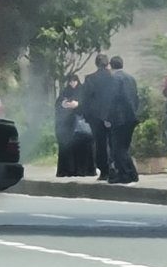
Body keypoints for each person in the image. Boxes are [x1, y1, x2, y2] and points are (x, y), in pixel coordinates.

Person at [82, 53, 116, 181]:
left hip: (95, 116)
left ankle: (104, 171)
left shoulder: (90, 79)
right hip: (112, 115)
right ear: (108, 64)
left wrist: (86, 115)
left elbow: (85, 99)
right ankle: (114, 166)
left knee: (100, 143)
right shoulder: (113, 77)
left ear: (96, 64)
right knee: (113, 142)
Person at [55, 74, 95, 177]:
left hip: (81, 126)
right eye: (70, 81)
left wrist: (77, 105)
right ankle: (68, 170)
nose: (72, 83)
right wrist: (63, 105)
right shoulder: (65, 92)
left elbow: (88, 105)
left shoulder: (83, 91)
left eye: (74, 81)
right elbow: (58, 105)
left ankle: (84, 170)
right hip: (67, 126)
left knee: (83, 148)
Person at [107, 56, 139, 184]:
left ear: (111, 65)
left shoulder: (114, 79)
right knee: (124, 147)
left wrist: (108, 117)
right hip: (131, 117)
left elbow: (112, 100)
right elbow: (135, 97)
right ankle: (132, 174)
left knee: (117, 147)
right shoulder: (131, 78)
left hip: (119, 118)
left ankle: (124, 174)